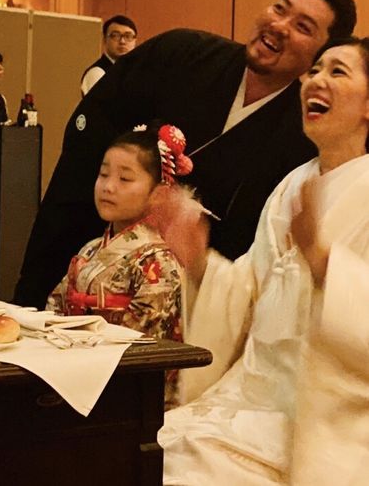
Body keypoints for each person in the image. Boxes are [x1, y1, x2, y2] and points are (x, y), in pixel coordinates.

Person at [14, 0, 357, 309]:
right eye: (280, 8)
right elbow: (92, 121)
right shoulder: (182, 53)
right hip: (90, 244)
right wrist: (128, 187)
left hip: (185, 293)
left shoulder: (300, 135)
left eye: (303, 27)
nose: (280, 26)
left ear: (321, 55)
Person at [158, 37, 369, 485]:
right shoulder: (291, 185)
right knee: (146, 453)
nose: (316, 80)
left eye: (338, 71)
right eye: (315, 70)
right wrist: (201, 262)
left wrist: (325, 264)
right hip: (248, 399)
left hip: (327, 420)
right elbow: (251, 294)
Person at [47, 123, 196, 406]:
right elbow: (55, 307)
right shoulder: (90, 249)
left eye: (125, 179)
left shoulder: (159, 261)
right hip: (74, 375)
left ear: (158, 194)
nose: (108, 186)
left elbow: (141, 345)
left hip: (129, 396)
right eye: (103, 174)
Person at [80, 15, 137, 97]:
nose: (122, 41)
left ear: (135, 41)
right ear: (104, 40)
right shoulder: (97, 73)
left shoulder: (134, 71)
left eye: (128, 36)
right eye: (115, 36)